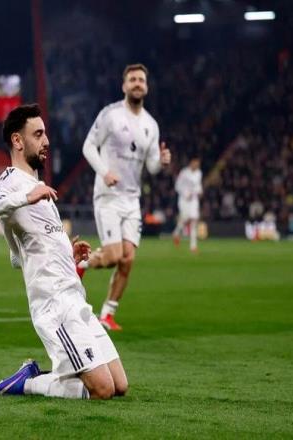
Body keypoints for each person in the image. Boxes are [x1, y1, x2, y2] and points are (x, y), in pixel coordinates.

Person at [0, 104, 128, 400]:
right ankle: (27, 382)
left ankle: (40, 377)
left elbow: (21, 255)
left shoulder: (39, 186)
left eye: (45, 134)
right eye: (38, 134)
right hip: (53, 305)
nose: (46, 141)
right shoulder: (12, 184)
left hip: (75, 298)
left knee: (119, 385)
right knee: (102, 390)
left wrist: (70, 254)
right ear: (18, 141)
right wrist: (25, 197)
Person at [79, 63, 171, 331]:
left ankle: (107, 314)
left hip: (132, 200)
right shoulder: (110, 114)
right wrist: (104, 172)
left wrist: (162, 162)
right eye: (132, 79)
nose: (137, 83)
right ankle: (80, 263)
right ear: (124, 86)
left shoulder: (151, 125)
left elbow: (151, 166)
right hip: (108, 195)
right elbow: (88, 146)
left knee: (128, 259)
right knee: (112, 257)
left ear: (147, 87)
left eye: (141, 80)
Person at [172, 157, 203, 252]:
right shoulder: (184, 172)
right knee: (184, 219)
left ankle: (193, 247)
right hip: (184, 200)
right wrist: (185, 193)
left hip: (194, 200)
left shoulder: (199, 173)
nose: (197, 165)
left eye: (198, 164)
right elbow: (177, 186)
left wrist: (200, 191)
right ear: (191, 162)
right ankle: (176, 233)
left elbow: (198, 185)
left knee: (194, 221)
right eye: (195, 163)